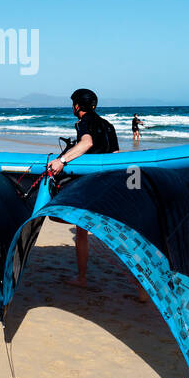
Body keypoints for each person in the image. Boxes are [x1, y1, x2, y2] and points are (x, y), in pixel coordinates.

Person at [47, 88, 119, 289]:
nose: (73, 107)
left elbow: (87, 143)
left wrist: (62, 160)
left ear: (78, 105)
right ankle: (142, 290)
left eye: (73, 104)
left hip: (90, 185)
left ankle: (82, 277)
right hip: (108, 183)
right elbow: (116, 155)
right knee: (121, 235)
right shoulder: (108, 125)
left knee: (80, 230)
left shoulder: (84, 122)